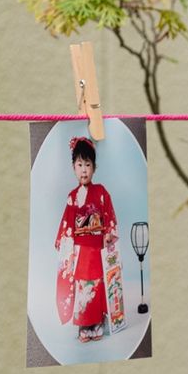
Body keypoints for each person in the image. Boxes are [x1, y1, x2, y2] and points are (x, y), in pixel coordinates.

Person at [54, 137, 118, 342]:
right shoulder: (72, 197)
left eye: (88, 165)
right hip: (80, 251)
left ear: (94, 168)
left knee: (97, 284)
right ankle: (84, 324)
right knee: (83, 286)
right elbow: (67, 225)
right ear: (73, 167)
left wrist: (108, 233)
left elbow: (109, 217)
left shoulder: (101, 192)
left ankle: (97, 321)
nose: (84, 170)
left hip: (97, 248)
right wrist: (65, 245)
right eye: (80, 165)